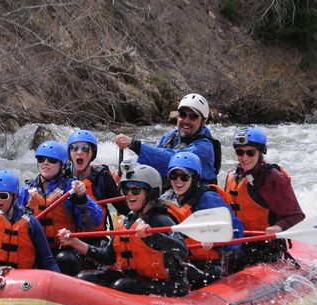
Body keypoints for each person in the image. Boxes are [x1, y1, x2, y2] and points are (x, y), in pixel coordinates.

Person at [57, 164, 190, 297]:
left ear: (150, 193)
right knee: (83, 277)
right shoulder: (128, 221)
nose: (129, 194)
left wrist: (153, 236)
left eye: (136, 190)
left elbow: (182, 250)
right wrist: (75, 242)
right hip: (133, 278)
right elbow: (108, 258)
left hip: (168, 285)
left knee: (122, 286)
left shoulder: (160, 220)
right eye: (126, 189)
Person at [18, 140, 103, 275]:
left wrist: (82, 199)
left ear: (61, 165)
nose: (45, 163)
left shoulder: (72, 188)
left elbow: (93, 222)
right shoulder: (26, 190)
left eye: (51, 160)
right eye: (41, 159)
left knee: (66, 260)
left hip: (62, 250)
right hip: (34, 249)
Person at [222, 127, 305, 266]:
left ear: (260, 153)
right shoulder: (232, 176)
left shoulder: (272, 178)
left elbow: (296, 215)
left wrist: (278, 227)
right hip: (237, 242)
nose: (244, 157)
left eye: (250, 153)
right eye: (240, 152)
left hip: (265, 247)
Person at [162, 152, 245, 288]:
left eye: (184, 177)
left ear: (194, 178)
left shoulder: (208, 199)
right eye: (173, 176)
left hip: (209, 265)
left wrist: (215, 239)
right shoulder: (167, 197)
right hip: (181, 260)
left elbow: (236, 230)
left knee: (176, 275)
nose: (178, 181)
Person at [113, 93, 221, 184]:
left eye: (193, 116)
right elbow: (151, 165)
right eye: (183, 114)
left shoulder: (204, 148)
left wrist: (135, 145)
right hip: (172, 196)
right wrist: (127, 174)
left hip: (197, 203)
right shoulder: (170, 136)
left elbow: (173, 161)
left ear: (203, 121)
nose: (186, 121)